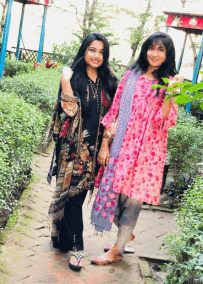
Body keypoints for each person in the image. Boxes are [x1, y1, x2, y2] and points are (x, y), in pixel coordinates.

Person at [91, 32, 183, 265]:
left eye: (161, 50)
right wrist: (104, 143)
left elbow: (165, 122)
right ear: (145, 50)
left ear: (168, 54)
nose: (155, 53)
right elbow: (115, 111)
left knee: (132, 201)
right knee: (111, 195)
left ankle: (117, 250)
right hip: (122, 146)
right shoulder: (130, 76)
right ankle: (124, 235)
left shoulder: (169, 83)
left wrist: (172, 94)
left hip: (147, 152)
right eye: (151, 48)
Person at [47, 32, 118, 271]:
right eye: (92, 50)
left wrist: (106, 143)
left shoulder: (110, 80)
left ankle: (64, 239)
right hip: (71, 150)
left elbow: (113, 117)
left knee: (76, 197)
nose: (96, 55)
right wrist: (65, 81)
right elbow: (67, 111)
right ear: (84, 51)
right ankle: (77, 249)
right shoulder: (73, 76)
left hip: (97, 151)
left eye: (101, 51)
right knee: (74, 198)